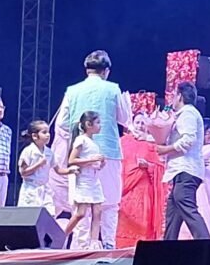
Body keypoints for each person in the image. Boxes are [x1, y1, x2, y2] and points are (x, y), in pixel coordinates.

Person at [54, 50, 132, 249]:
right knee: (109, 204)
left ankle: (80, 249)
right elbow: (125, 119)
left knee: (81, 206)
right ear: (106, 71)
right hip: (107, 153)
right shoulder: (113, 89)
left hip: (79, 156)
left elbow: (62, 123)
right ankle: (107, 246)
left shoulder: (72, 90)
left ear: (87, 69)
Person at [157, 81, 210, 240]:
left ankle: (206, 243)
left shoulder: (188, 113)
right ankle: (168, 247)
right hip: (180, 170)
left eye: (174, 95)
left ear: (179, 96)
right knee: (173, 212)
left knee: (186, 205)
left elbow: (188, 140)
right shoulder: (182, 115)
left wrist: (166, 150)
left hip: (186, 169)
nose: (172, 99)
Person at [117, 113, 166, 247]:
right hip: (124, 190)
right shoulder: (122, 142)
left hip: (143, 192)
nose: (140, 126)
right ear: (132, 124)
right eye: (137, 122)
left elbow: (160, 168)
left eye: (143, 123)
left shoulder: (152, 144)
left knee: (142, 226)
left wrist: (148, 166)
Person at [62, 112, 106, 249]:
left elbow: (93, 163)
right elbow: (72, 160)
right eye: (97, 122)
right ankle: (61, 236)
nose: (100, 125)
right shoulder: (81, 140)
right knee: (81, 213)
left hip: (94, 179)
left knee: (97, 212)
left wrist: (101, 163)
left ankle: (94, 242)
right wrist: (91, 160)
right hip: (84, 180)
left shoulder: (94, 143)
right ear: (88, 124)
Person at [18, 120, 76, 212]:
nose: (48, 135)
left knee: (49, 213)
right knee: (32, 214)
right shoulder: (28, 151)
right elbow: (23, 172)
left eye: (48, 132)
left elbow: (58, 170)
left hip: (45, 188)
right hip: (31, 188)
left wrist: (70, 171)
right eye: (44, 132)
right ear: (35, 136)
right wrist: (39, 164)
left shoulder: (49, 152)